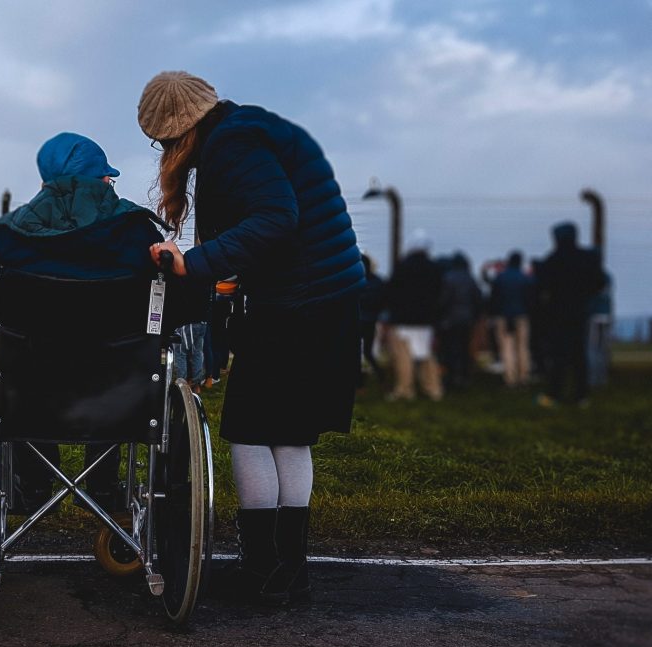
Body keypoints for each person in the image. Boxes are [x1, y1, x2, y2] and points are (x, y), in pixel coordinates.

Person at [138, 71, 365, 605]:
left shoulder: (233, 144)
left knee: (248, 428)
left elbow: (275, 216)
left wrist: (192, 264)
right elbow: (275, 221)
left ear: (180, 131)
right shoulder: (251, 129)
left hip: (300, 302)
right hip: (324, 298)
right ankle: (289, 570)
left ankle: (261, 566)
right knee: (287, 432)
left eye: (164, 142)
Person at [0, 131, 203, 514]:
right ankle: (103, 487)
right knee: (113, 367)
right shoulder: (137, 233)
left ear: (45, 183)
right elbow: (181, 307)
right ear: (103, 181)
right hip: (119, 395)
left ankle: (33, 486)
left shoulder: (7, 238)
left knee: (23, 370)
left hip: (28, 396)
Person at [536, 222, 607, 407]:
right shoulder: (587, 259)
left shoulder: (553, 260)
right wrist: (585, 295)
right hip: (580, 311)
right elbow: (600, 282)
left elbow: (541, 286)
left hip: (557, 313)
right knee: (579, 355)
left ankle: (554, 394)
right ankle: (581, 395)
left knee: (558, 355)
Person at [384, 230, 444, 401]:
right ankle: (433, 389)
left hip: (403, 320)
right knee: (426, 355)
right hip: (426, 320)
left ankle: (405, 389)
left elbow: (391, 292)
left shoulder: (402, 267)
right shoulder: (434, 268)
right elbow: (439, 293)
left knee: (404, 357)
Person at [437, 252, 483, 390]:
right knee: (464, 348)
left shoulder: (447, 278)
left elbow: (443, 300)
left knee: (450, 349)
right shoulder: (470, 278)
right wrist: (475, 316)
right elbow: (478, 299)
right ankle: (464, 376)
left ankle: (452, 376)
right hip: (467, 320)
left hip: (449, 320)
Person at [489, 251, 534, 387]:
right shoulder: (526, 278)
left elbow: (494, 298)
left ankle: (510, 378)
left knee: (507, 348)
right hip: (522, 316)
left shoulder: (500, 278)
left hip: (503, 316)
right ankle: (524, 376)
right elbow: (530, 299)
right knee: (523, 347)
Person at [358, 254, 385, 384]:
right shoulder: (378, 282)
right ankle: (381, 379)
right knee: (368, 353)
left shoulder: (354, 281)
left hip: (356, 321)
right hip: (371, 321)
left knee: (352, 353)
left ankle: (359, 381)